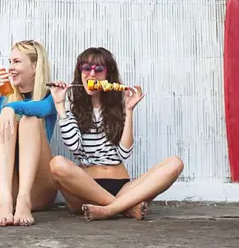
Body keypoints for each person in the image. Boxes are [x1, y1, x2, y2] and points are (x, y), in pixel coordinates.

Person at [48, 47, 184, 221]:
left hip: (122, 187)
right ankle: (123, 208)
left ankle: (109, 209)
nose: (91, 74)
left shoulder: (117, 108)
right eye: (86, 68)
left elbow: (124, 153)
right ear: (79, 71)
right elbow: (74, 146)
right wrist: (60, 104)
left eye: (98, 70)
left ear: (108, 75)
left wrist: (129, 110)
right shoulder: (71, 109)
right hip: (85, 189)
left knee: (175, 163)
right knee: (56, 164)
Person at [0, 40, 58, 227]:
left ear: (35, 66)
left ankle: (23, 200)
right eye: (9, 62)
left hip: (36, 193)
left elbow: (39, 108)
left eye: (17, 62)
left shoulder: (51, 97)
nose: (10, 68)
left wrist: (11, 107)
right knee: (11, 120)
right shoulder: (5, 100)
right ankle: (5, 202)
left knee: (29, 120)